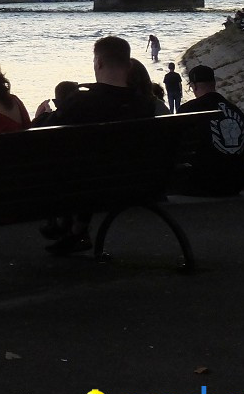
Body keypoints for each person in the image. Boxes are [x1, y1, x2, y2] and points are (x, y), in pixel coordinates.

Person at [35, 36, 157, 254]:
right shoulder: (145, 103)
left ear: (98, 63)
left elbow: (40, 137)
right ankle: (75, 229)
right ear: (129, 65)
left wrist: (40, 117)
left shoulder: (81, 102)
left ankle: (66, 225)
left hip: (88, 185)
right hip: (138, 182)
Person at [176, 65, 244, 196]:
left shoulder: (187, 110)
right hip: (237, 181)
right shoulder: (235, 110)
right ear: (214, 83)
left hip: (205, 182)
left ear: (193, 86)